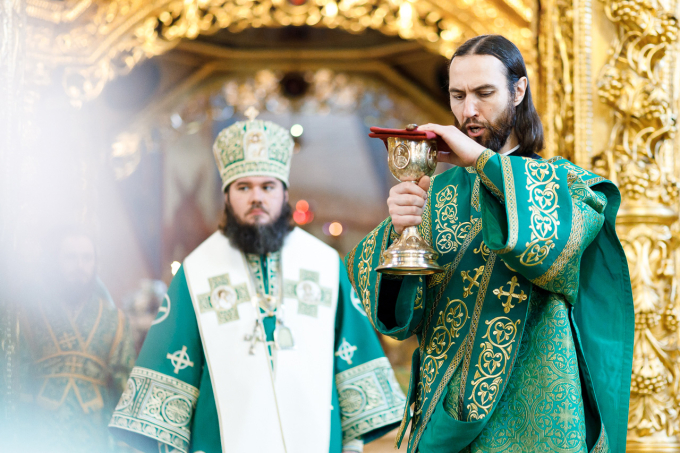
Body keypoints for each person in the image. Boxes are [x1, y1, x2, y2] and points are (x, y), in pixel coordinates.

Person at [346, 34, 634, 453]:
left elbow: (550, 249)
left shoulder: (567, 185)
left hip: (540, 421)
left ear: (518, 91)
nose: (468, 111)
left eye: (484, 93)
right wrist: (399, 230)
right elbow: (399, 319)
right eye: (457, 95)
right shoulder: (435, 194)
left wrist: (481, 161)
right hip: (447, 416)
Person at [110, 111, 406, 453]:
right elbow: (171, 366)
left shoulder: (324, 264)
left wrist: (351, 443)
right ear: (227, 196)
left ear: (284, 194)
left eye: (267, 186)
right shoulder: (197, 272)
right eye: (243, 187)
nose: (257, 198)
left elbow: (351, 357)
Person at [18, 226, 135, 453]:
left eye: (87, 258)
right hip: (40, 432)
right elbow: (19, 376)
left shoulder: (115, 320)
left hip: (95, 434)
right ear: (56, 262)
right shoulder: (31, 315)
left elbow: (124, 388)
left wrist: (124, 445)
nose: (80, 266)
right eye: (70, 258)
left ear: (95, 264)